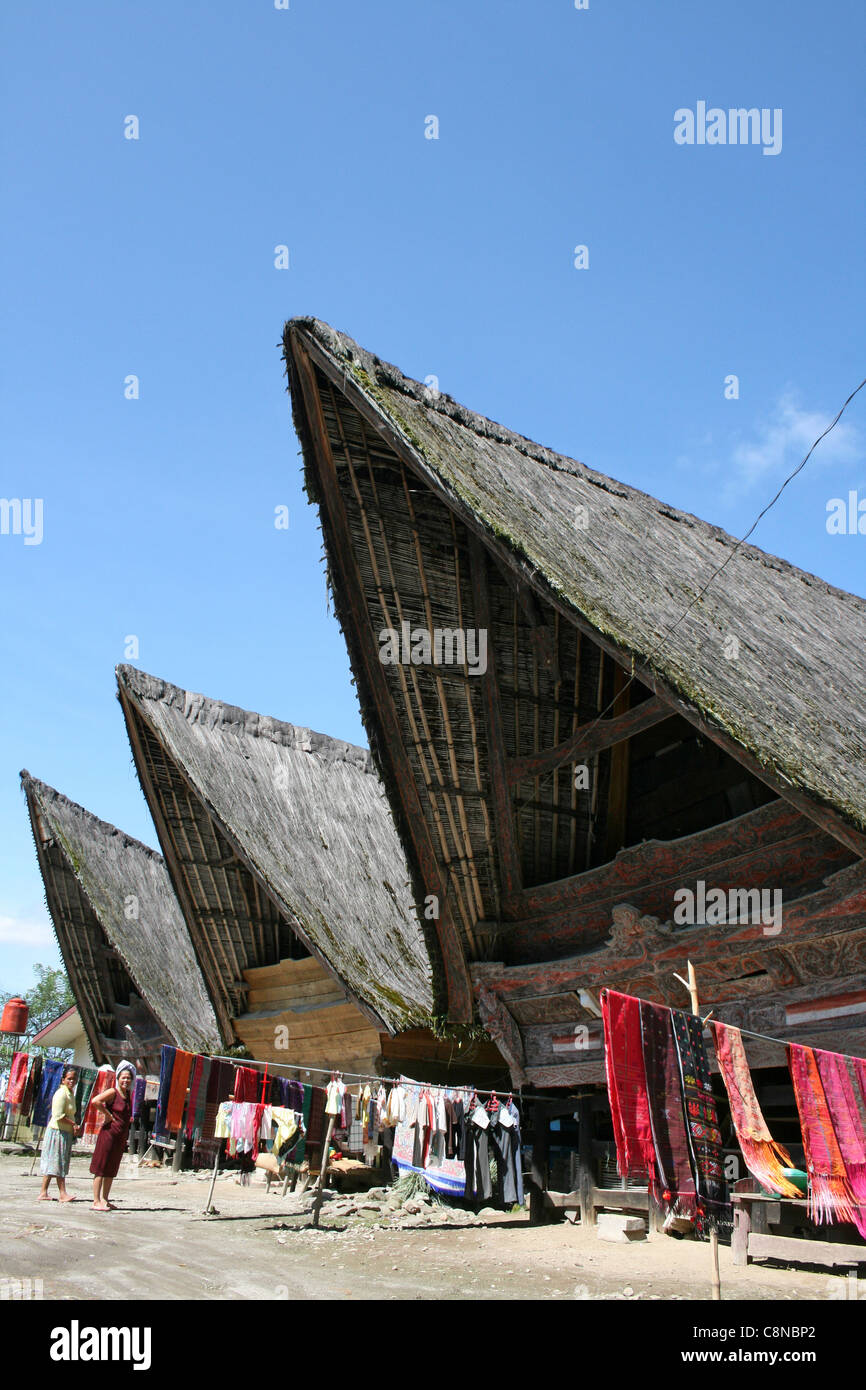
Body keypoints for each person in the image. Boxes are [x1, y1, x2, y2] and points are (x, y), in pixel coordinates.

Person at [89, 1060, 136, 1211]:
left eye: (128, 1078)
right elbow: (96, 1101)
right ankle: (96, 1201)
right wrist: (107, 1115)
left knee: (111, 1168)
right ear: (118, 1078)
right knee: (101, 1167)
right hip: (108, 1135)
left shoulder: (128, 1095)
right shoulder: (113, 1092)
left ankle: (105, 1199)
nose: (126, 1080)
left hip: (119, 1137)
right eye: (123, 1077)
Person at [38, 1066, 80, 1202]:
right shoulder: (61, 1094)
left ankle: (43, 1192)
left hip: (65, 1132)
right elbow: (58, 1115)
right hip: (57, 1132)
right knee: (58, 1162)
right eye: (69, 1078)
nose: (72, 1081)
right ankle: (63, 1193)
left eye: (74, 1079)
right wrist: (73, 1124)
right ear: (63, 1079)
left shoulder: (70, 1093)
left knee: (54, 1162)